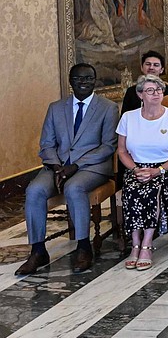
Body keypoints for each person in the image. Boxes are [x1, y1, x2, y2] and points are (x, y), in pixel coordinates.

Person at [16, 64, 119, 277]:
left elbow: (108, 146)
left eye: (88, 78)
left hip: (92, 167)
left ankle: (83, 247)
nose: (83, 82)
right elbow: (46, 143)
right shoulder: (55, 107)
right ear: (70, 81)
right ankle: (37, 250)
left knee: (74, 187)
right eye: (78, 78)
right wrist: (56, 167)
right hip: (57, 166)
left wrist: (75, 166)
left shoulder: (108, 108)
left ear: (95, 81)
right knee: (34, 190)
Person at [116, 75, 168, 270]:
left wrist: (158, 170)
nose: (156, 94)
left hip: (167, 168)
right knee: (131, 189)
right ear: (140, 94)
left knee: (151, 189)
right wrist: (134, 169)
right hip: (137, 167)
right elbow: (121, 151)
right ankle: (135, 243)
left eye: (159, 90)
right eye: (150, 90)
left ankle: (147, 244)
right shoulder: (128, 117)